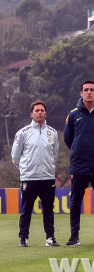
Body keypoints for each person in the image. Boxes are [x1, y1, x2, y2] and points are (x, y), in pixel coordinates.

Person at [64, 80, 94, 246]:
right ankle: (74, 236)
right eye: (86, 90)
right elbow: (68, 139)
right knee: (75, 201)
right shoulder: (73, 114)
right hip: (79, 166)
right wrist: (80, 150)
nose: (89, 93)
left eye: (92, 90)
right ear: (81, 93)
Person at [13, 101, 59, 247]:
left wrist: (50, 168)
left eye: (42, 110)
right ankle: (23, 238)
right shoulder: (23, 133)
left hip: (47, 178)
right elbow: (15, 156)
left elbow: (55, 154)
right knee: (26, 209)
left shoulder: (53, 133)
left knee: (48, 209)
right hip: (29, 178)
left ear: (45, 113)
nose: (39, 113)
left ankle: (50, 238)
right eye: (36, 110)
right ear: (31, 114)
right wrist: (25, 170)